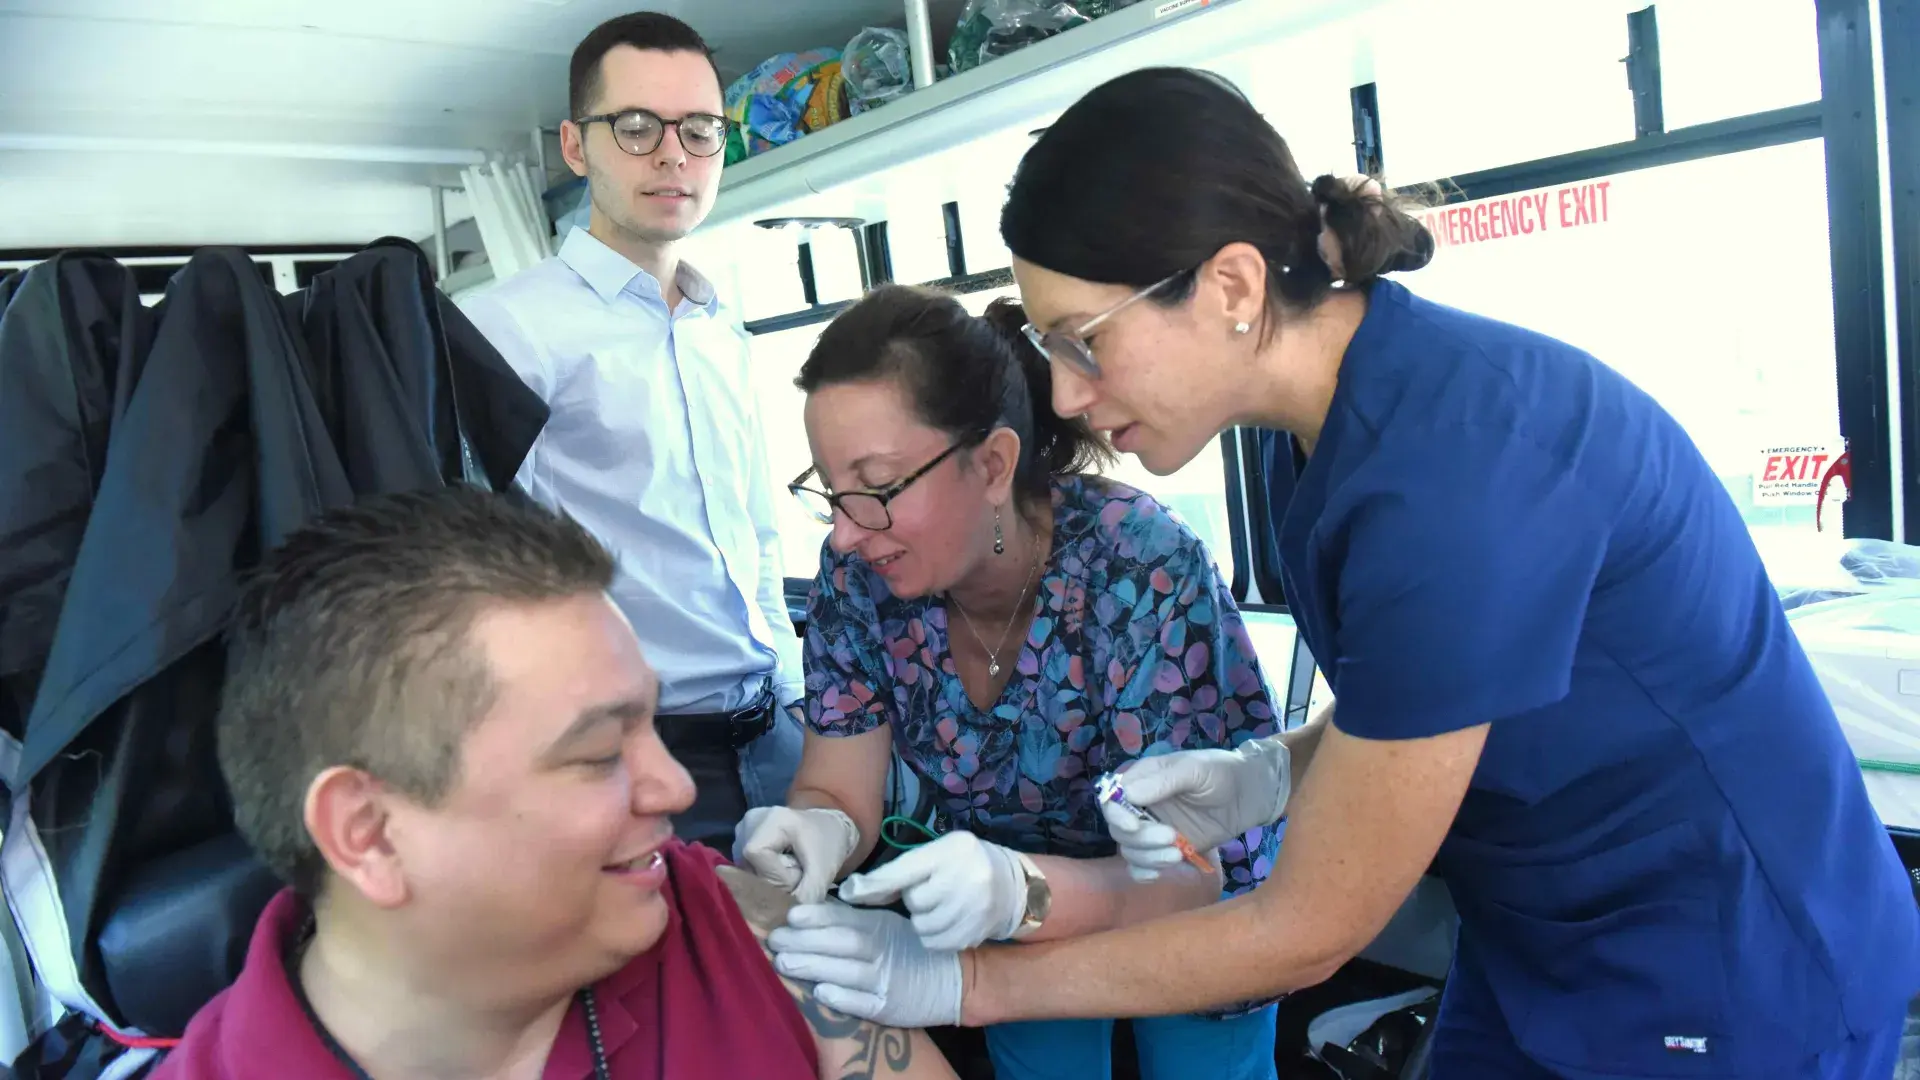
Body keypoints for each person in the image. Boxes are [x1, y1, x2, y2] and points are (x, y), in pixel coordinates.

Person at [765, 66, 1920, 1079]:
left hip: (1723, 960)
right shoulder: (1334, 431)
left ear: (1227, 288)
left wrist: (968, 987)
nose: (1066, 394)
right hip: (1538, 943)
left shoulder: (1453, 469)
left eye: (1083, 339)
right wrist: (1270, 771)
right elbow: (1417, 699)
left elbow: (1306, 930)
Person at [150, 486, 956, 1080]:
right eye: (600, 753)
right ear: (371, 832)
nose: (676, 789)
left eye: (654, 725)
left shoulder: (712, 914)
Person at [735, 284, 1286, 1080]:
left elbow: (1188, 882)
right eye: (829, 491)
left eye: (878, 487)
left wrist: (1015, 890)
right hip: (1001, 899)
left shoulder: (1137, 568)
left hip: (1183, 901)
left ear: (993, 464)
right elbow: (838, 786)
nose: (848, 531)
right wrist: (815, 832)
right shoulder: (856, 581)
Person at [459, 12, 801, 852]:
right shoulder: (504, 330)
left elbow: (752, 532)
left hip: (780, 735)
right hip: (634, 753)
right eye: (637, 127)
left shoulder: (722, 323)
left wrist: (797, 690)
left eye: (700, 129)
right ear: (577, 147)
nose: (674, 154)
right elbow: (468, 572)